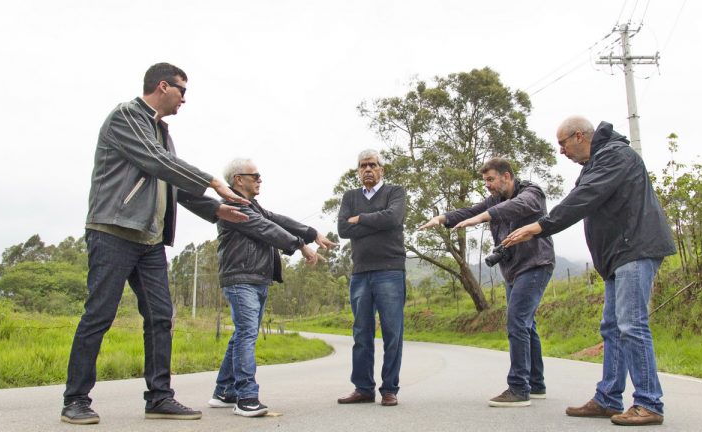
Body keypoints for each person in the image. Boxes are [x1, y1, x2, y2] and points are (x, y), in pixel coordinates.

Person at [62, 63, 250, 425]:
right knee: (99, 315)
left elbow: (171, 180)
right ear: (163, 86)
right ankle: (76, 399)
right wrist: (213, 181)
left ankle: (159, 397)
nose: (184, 99)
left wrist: (216, 210)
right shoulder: (126, 116)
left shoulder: (162, 132)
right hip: (113, 231)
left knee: (161, 317)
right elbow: (156, 161)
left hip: (149, 241)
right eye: (182, 91)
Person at [503, 117, 676, 426]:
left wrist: (540, 226)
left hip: (635, 248)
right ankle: (608, 398)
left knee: (631, 324)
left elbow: (583, 198)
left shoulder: (615, 155)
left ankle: (649, 402)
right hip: (617, 255)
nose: (561, 151)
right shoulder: (596, 163)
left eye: (563, 144)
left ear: (579, 136)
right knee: (612, 327)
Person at [418, 157, 555, 407]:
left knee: (517, 321)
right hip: (512, 270)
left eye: (491, 180)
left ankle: (518, 388)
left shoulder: (531, 192)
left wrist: (482, 218)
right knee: (527, 324)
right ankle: (536, 384)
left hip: (535, 264)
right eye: (485, 181)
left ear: (507, 176)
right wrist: (442, 218)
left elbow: (514, 207)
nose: (488, 185)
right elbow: (470, 211)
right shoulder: (494, 200)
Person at [208, 158, 337, 417]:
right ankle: (246, 397)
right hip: (241, 279)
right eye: (254, 176)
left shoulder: (252, 205)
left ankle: (223, 391)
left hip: (257, 278)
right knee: (246, 334)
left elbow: (276, 219)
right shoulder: (232, 205)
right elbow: (266, 229)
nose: (260, 180)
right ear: (238, 180)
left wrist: (312, 233)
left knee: (242, 334)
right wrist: (300, 245)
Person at [336, 149, 406, 407]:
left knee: (392, 332)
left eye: (372, 165)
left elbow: (393, 217)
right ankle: (363, 388)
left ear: (381, 169)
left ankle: (389, 389)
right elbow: (343, 229)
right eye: (363, 165)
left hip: (390, 269)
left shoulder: (395, 192)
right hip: (360, 272)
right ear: (358, 171)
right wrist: (376, 222)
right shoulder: (350, 196)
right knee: (361, 333)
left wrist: (360, 219)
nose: (368, 169)